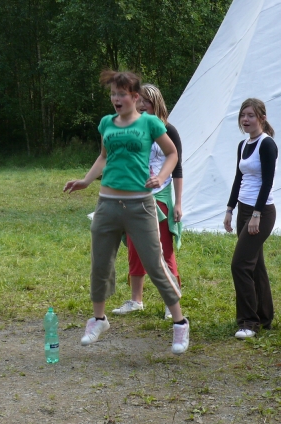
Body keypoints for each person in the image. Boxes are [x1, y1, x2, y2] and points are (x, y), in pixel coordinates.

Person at [63, 70, 190, 355]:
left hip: (140, 205)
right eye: (112, 94)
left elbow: (172, 154)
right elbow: (103, 156)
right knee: (100, 263)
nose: (116, 99)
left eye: (121, 94)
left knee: (155, 264)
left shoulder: (150, 123)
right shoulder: (106, 123)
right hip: (107, 203)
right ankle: (98, 320)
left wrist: (161, 176)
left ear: (135, 97)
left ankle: (180, 323)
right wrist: (86, 180)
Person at [112, 83, 183, 320]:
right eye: (138, 100)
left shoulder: (168, 130)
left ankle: (171, 300)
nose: (141, 105)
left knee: (162, 249)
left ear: (155, 102)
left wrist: (178, 203)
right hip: (135, 196)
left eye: (145, 101)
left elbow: (177, 168)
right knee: (135, 248)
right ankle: (136, 300)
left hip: (160, 196)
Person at [223, 98, 278, 339]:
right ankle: (264, 316)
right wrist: (230, 209)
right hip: (244, 210)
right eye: (243, 115)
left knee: (240, 264)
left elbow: (267, 182)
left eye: (251, 115)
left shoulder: (267, 144)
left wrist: (256, 214)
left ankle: (249, 322)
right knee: (255, 265)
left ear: (262, 118)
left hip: (262, 212)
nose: (245, 119)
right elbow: (239, 178)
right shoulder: (243, 144)